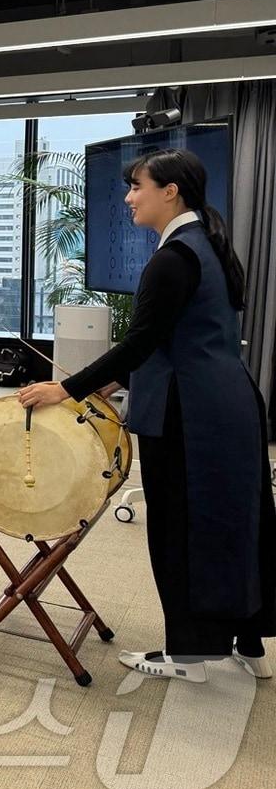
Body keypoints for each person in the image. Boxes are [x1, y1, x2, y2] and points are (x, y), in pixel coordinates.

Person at [20, 149, 273, 683]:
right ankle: (247, 643)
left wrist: (65, 389)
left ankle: (188, 655)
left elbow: (140, 342)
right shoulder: (206, 246)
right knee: (235, 521)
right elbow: (173, 340)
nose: (130, 197)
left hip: (190, 412)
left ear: (170, 191)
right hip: (228, 403)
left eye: (137, 186)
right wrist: (108, 384)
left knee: (180, 528)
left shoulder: (172, 257)